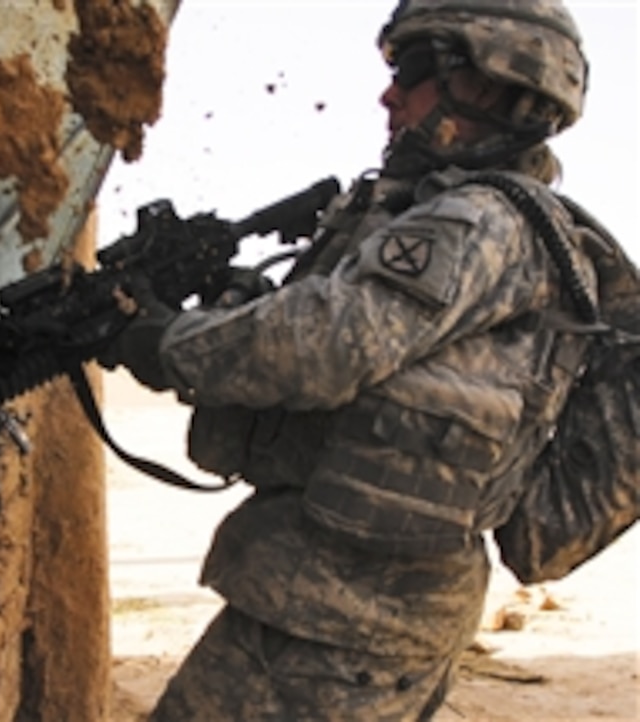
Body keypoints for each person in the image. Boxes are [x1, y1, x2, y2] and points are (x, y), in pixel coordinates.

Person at [99, 1, 607, 719]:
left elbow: (324, 346)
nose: (389, 94)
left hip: (345, 621)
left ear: (491, 86)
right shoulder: (462, 217)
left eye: (413, 71)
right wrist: (230, 299)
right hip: (342, 607)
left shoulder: (478, 221)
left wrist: (159, 341)